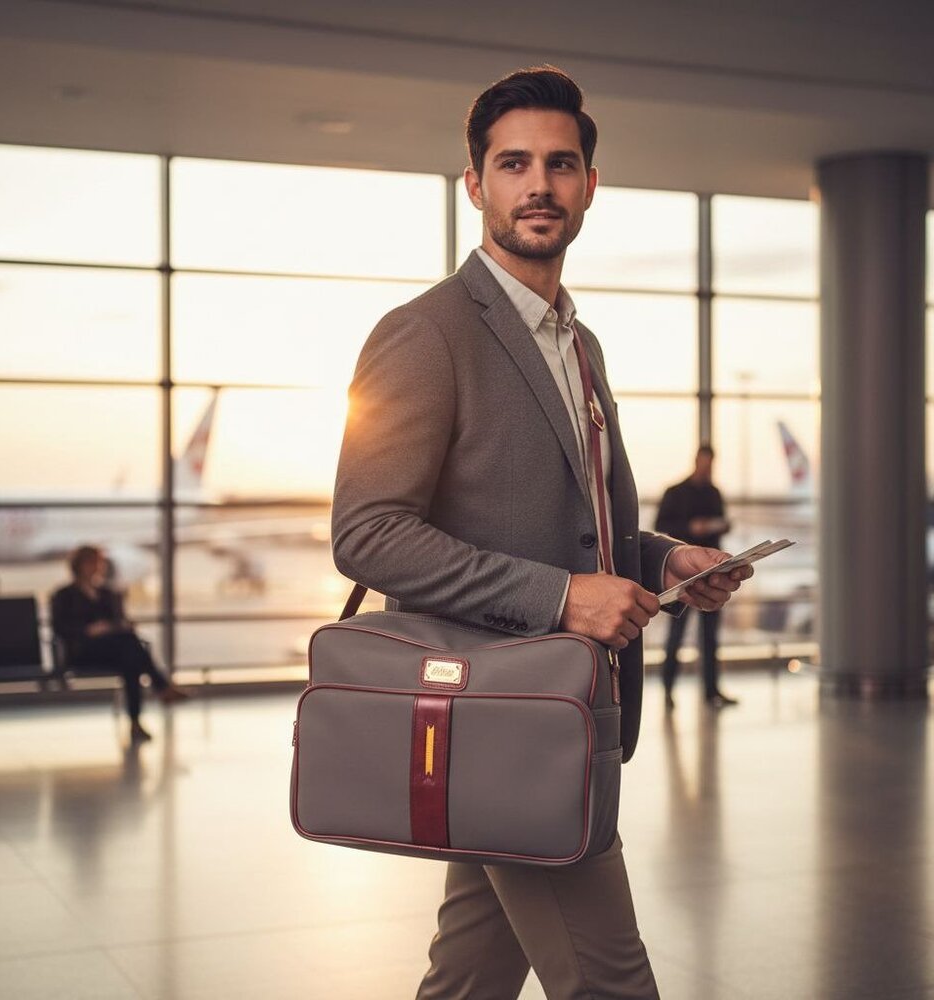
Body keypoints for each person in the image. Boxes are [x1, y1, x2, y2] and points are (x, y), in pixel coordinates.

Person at [331, 66, 752, 1000]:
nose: (540, 185)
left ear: (590, 186)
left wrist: (661, 557)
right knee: (612, 982)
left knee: (472, 975)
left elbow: (570, 521)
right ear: (474, 183)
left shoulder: (576, 341)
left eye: (561, 164)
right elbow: (367, 532)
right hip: (498, 719)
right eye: (513, 163)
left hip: (570, 709)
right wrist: (564, 598)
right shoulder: (426, 334)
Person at [50, 545, 188, 743]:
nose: (95, 567)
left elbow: (119, 622)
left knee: (130, 660)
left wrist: (114, 626)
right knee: (130, 649)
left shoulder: (107, 593)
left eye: (97, 563)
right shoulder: (64, 595)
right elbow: (60, 628)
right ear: (79, 565)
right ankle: (160, 688)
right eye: (91, 563)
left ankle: (137, 720)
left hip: (112, 650)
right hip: (82, 650)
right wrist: (87, 630)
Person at [655, 445, 738, 709]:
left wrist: (718, 526)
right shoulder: (676, 493)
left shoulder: (714, 493)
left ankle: (710, 691)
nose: (707, 468)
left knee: (710, 636)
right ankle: (668, 691)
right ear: (696, 461)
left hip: (711, 574)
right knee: (676, 634)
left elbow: (723, 521)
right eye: (705, 463)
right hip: (682, 577)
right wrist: (691, 529)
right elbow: (660, 527)